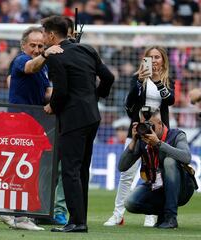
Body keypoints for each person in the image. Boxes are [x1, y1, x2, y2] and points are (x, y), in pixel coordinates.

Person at [42, 15, 114, 233]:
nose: (44, 37)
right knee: (82, 169)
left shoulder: (56, 56)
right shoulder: (88, 50)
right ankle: (79, 219)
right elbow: (108, 77)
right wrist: (95, 97)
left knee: (70, 171)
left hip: (73, 119)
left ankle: (77, 222)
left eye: (45, 34)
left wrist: (52, 106)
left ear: (52, 35)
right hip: (92, 117)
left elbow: (61, 91)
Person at [0, 26, 63, 231]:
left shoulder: (43, 67)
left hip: (34, 123)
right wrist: (46, 53)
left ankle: (7, 210)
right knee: (25, 169)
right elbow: (29, 68)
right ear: (24, 45)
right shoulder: (20, 60)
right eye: (33, 45)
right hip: (20, 122)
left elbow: (46, 92)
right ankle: (21, 217)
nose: (36, 49)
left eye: (40, 45)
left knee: (22, 168)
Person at [104, 46, 175, 227]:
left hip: (159, 133)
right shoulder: (137, 78)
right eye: (150, 57)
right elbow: (128, 104)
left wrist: (158, 81)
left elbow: (170, 100)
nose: (154, 60)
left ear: (163, 60)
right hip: (137, 130)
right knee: (127, 174)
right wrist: (139, 83)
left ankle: (151, 214)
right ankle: (118, 214)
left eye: (157, 57)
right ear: (145, 60)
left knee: (156, 174)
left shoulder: (167, 80)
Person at [120, 107, 197, 229]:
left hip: (182, 188)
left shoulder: (177, 135)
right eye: (144, 125)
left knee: (169, 161)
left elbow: (186, 157)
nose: (147, 129)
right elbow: (122, 167)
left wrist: (158, 144)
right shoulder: (142, 140)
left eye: (150, 125)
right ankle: (164, 214)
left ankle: (171, 218)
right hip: (156, 186)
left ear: (160, 124)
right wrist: (133, 141)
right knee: (130, 203)